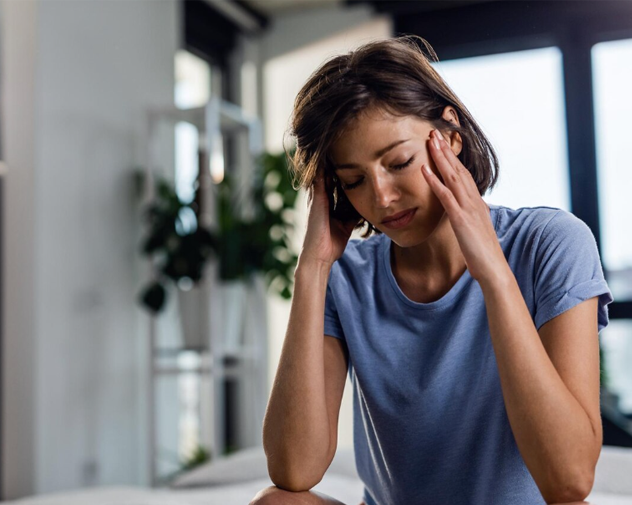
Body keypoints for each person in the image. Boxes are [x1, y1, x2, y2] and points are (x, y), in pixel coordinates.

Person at [249, 35, 613, 505]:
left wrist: (494, 274)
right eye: (354, 181)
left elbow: (569, 480)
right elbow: (294, 469)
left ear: (451, 138)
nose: (381, 197)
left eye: (399, 162)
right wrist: (312, 271)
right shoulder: (347, 276)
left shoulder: (552, 243)